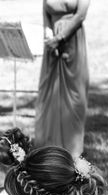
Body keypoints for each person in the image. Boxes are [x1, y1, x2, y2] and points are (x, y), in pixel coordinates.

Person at [34, 0, 90, 158]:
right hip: (52, 44)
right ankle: (48, 145)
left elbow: (80, 15)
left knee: (74, 94)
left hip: (71, 40)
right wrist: (49, 36)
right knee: (50, 92)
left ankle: (72, 150)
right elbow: (45, 13)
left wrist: (60, 38)